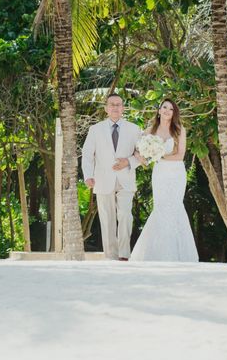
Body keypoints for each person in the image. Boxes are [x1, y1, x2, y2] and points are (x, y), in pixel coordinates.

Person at [130, 99, 199, 262]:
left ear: (174, 113)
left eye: (171, 109)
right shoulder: (149, 131)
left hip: (176, 173)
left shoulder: (179, 130)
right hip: (160, 173)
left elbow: (180, 155)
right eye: (165, 107)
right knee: (160, 207)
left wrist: (159, 155)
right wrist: (142, 158)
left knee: (175, 206)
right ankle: (156, 253)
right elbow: (136, 150)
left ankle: (179, 254)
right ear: (159, 110)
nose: (167, 110)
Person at [82, 94, 142, 260]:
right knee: (107, 218)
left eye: (119, 104)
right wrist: (88, 176)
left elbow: (143, 154)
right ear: (106, 108)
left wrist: (128, 161)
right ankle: (110, 256)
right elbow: (87, 154)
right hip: (102, 179)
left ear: (123, 108)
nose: (115, 107)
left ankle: (124, 254)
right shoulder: (95, 129)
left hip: (126, 179)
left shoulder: (134, 129)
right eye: (112, 104)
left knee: (125, 215)